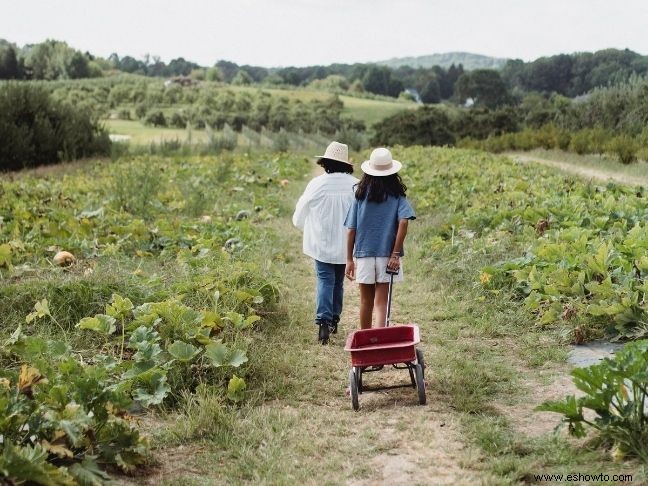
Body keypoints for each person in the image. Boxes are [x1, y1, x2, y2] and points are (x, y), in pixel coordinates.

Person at [293, 141, 359, 344]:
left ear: (326, 162)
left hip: (321, 242)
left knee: (324, 279)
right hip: (345, 244)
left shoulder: (317, 183)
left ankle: (323, 323)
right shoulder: (355, 185)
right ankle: (334, 320)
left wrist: (302, 225)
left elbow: (300, 213)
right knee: (338, 282)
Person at [344, 147, 415, 329]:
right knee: (381, 303)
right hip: (387, 256)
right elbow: (404, 222)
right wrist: (395, 254)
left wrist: (349, 259)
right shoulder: (398, 196)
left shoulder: (359, 196)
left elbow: (351, 230)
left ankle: (367, 343)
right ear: (393, 172)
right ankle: (380, 341)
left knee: (365, 302)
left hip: (364, 254)